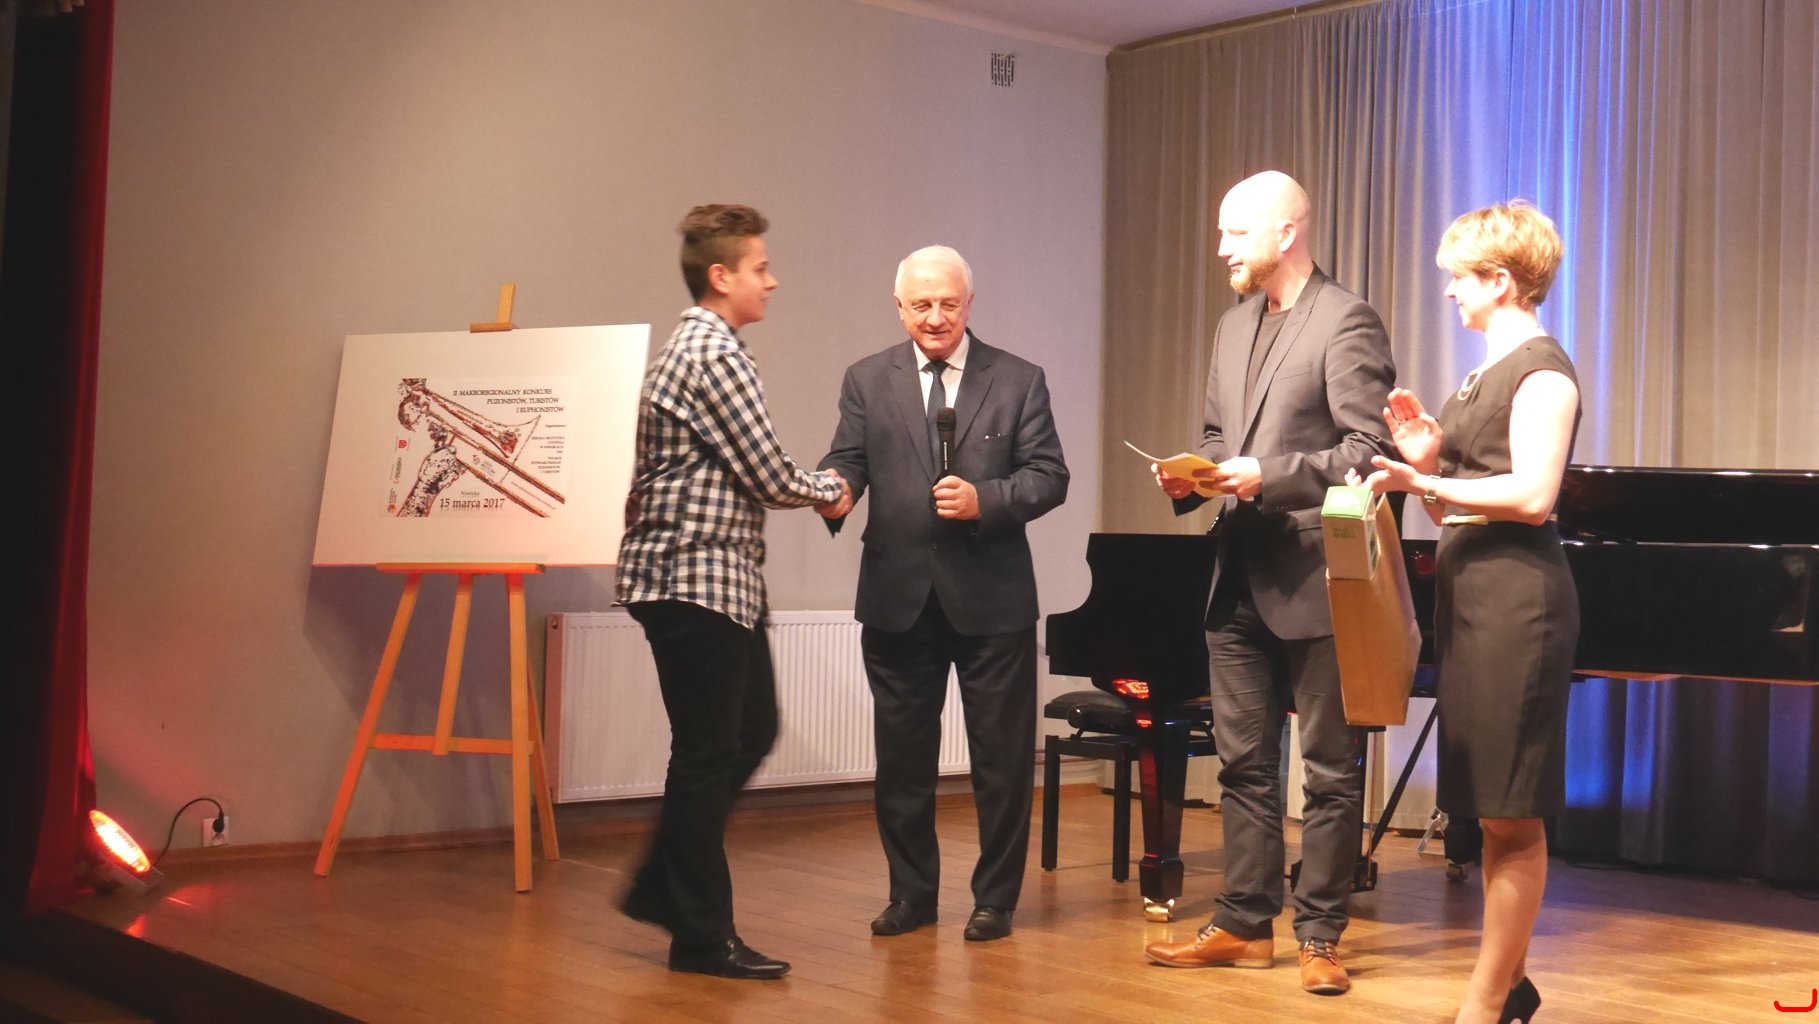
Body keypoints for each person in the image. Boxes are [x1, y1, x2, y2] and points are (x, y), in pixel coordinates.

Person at [1142, 171, 1395, 997]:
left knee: (1328, 769)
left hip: (1318, 576)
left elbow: (1366, 451)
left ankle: (1319, 934)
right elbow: (1222, 434)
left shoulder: (1345, 319)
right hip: (1236, 576)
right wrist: (1196, 473)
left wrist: (1268, 475)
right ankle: (1244, 924)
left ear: (1286, 232)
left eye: (1234, 233)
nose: (1220, 248)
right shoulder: (1231, 325)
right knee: (1242, 766)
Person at [1354, 202, 1578, 1024]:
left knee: (1511, 811)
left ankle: (1484, 1003)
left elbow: (1532, 496)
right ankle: (1508, 985)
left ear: (1500, 281)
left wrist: (1423, 477)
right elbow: (1458, 513)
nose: (1449, 291)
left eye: (1459, 277)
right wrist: (1428, 463)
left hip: (1518, 605)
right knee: (1489, 808)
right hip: (1475, 598)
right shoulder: (1479, 377)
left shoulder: (1542, 372)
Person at [614, 203, 849, 981]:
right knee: (709, 753)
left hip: (713, 582)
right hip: (692, 578)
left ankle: (662, 889)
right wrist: (832, 490)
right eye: (760, 268)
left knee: (746, 732)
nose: (771, 282)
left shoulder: (701, 349)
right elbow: (767, 473)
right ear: (721, 276)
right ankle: (700, 934)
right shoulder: (712, 353)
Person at [816, 245, 1068, 943]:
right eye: (921, 305)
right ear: (899, 308)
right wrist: (835, 490)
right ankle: (911, 896)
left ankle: (995, 901)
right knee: (902, 764)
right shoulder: (867, 378)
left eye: (948, 304)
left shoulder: (1018, 379)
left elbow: (1049, 475)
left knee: (1001, 763)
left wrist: (986, 499)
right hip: (897, 600)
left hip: (993, 603)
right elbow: (847, 459)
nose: (935, 317)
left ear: (969, 304)